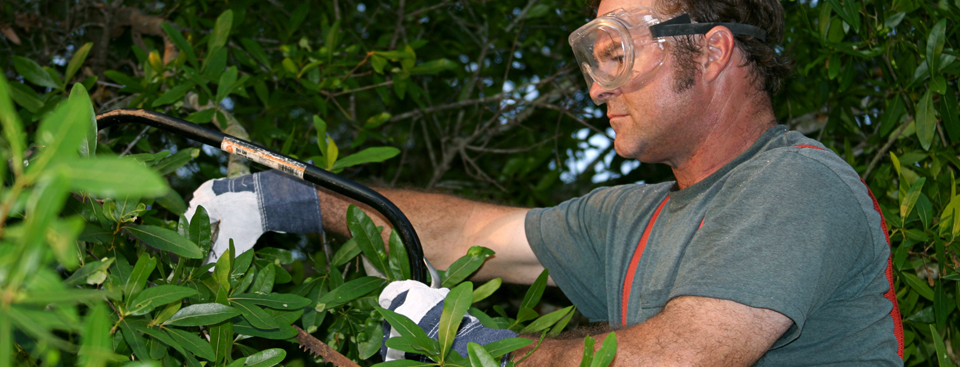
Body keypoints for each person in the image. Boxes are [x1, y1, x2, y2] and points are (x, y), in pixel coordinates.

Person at [187, 0, 905, 365]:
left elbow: (677, 358)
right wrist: (287, 200)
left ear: (711, 50)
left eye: (617, 52)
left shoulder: (794, 184)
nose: (597, 87)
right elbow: (468, 237)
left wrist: (479, 346)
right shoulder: (629, 216)